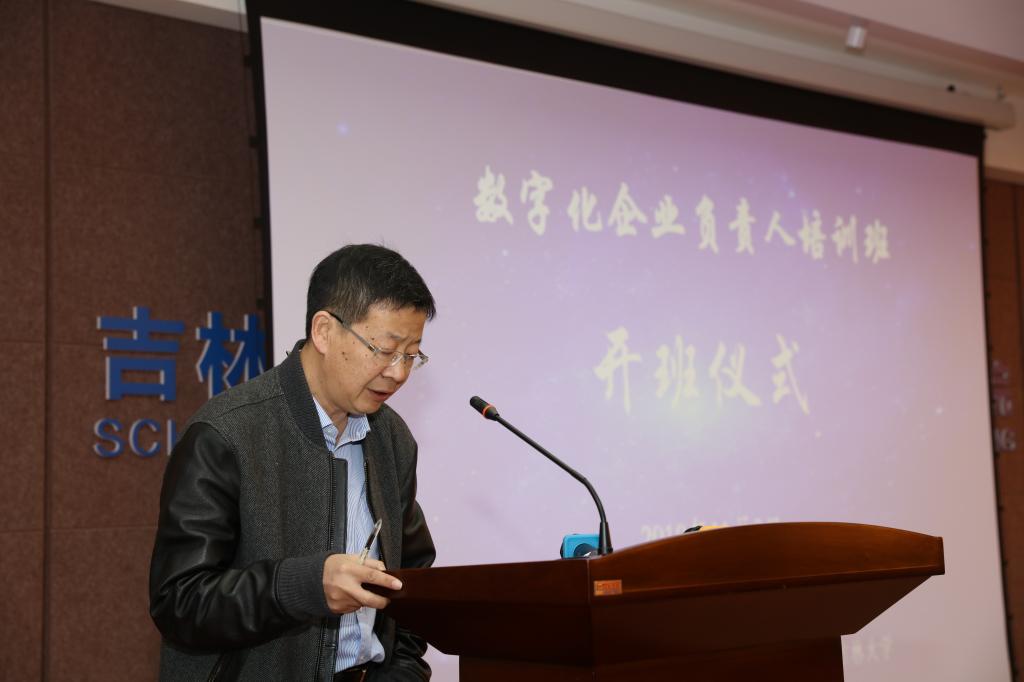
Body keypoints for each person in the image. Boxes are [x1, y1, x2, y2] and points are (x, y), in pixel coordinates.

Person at [150, 244, 437, 681]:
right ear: (324, 331)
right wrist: (303, 586)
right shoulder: (226, 434)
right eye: (385, 350)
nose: (398, 373)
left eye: (411, 355)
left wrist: (403, 672)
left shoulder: (391, 438)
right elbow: (180, 602)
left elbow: (412, 577)